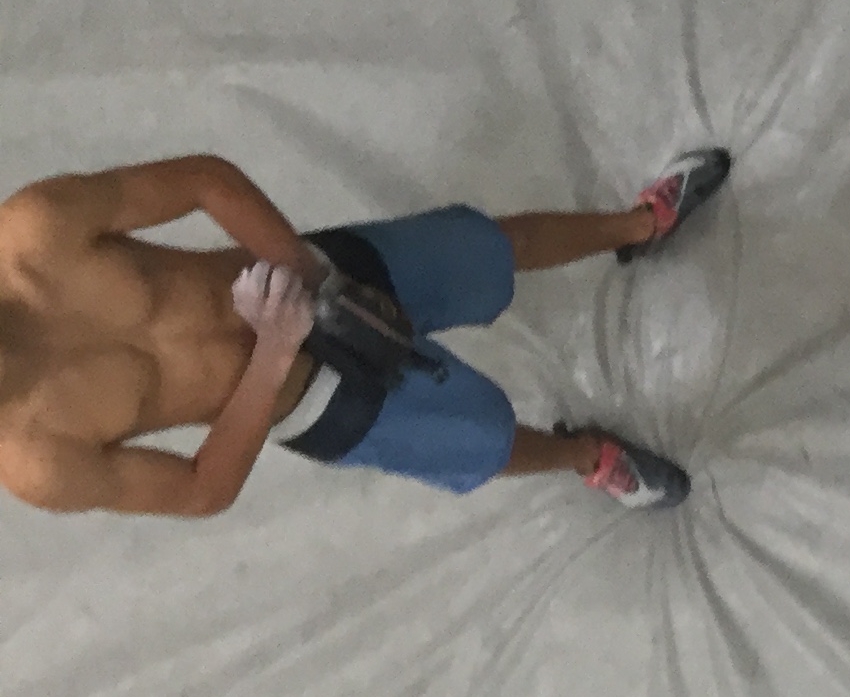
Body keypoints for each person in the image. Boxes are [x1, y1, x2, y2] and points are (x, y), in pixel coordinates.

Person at [0, 148, 731, 518]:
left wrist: (308, 276)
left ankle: (638, 225)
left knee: (487, 251)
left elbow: (203, 179)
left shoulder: (34, 234)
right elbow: (200, 491)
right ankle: (586, 454)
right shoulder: (38, 462)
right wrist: (274, 352)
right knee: (483, 441)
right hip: (311, 401)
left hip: (320, 277)